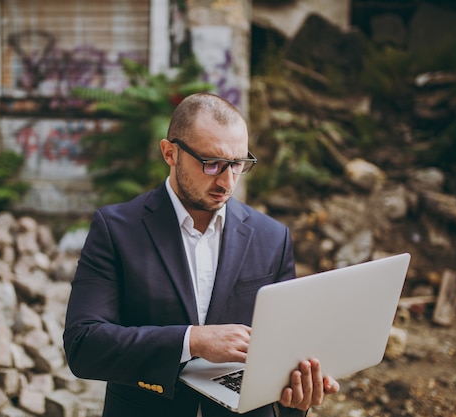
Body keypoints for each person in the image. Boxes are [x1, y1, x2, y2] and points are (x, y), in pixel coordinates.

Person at [63, 92, 340, 417]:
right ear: (170, 153)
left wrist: (297, 397)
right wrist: (191, 340)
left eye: (238, 164)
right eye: (212, 163)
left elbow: (284, 353)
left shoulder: (273, 237)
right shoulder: (115, 229)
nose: (227, 181)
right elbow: (84, 345)